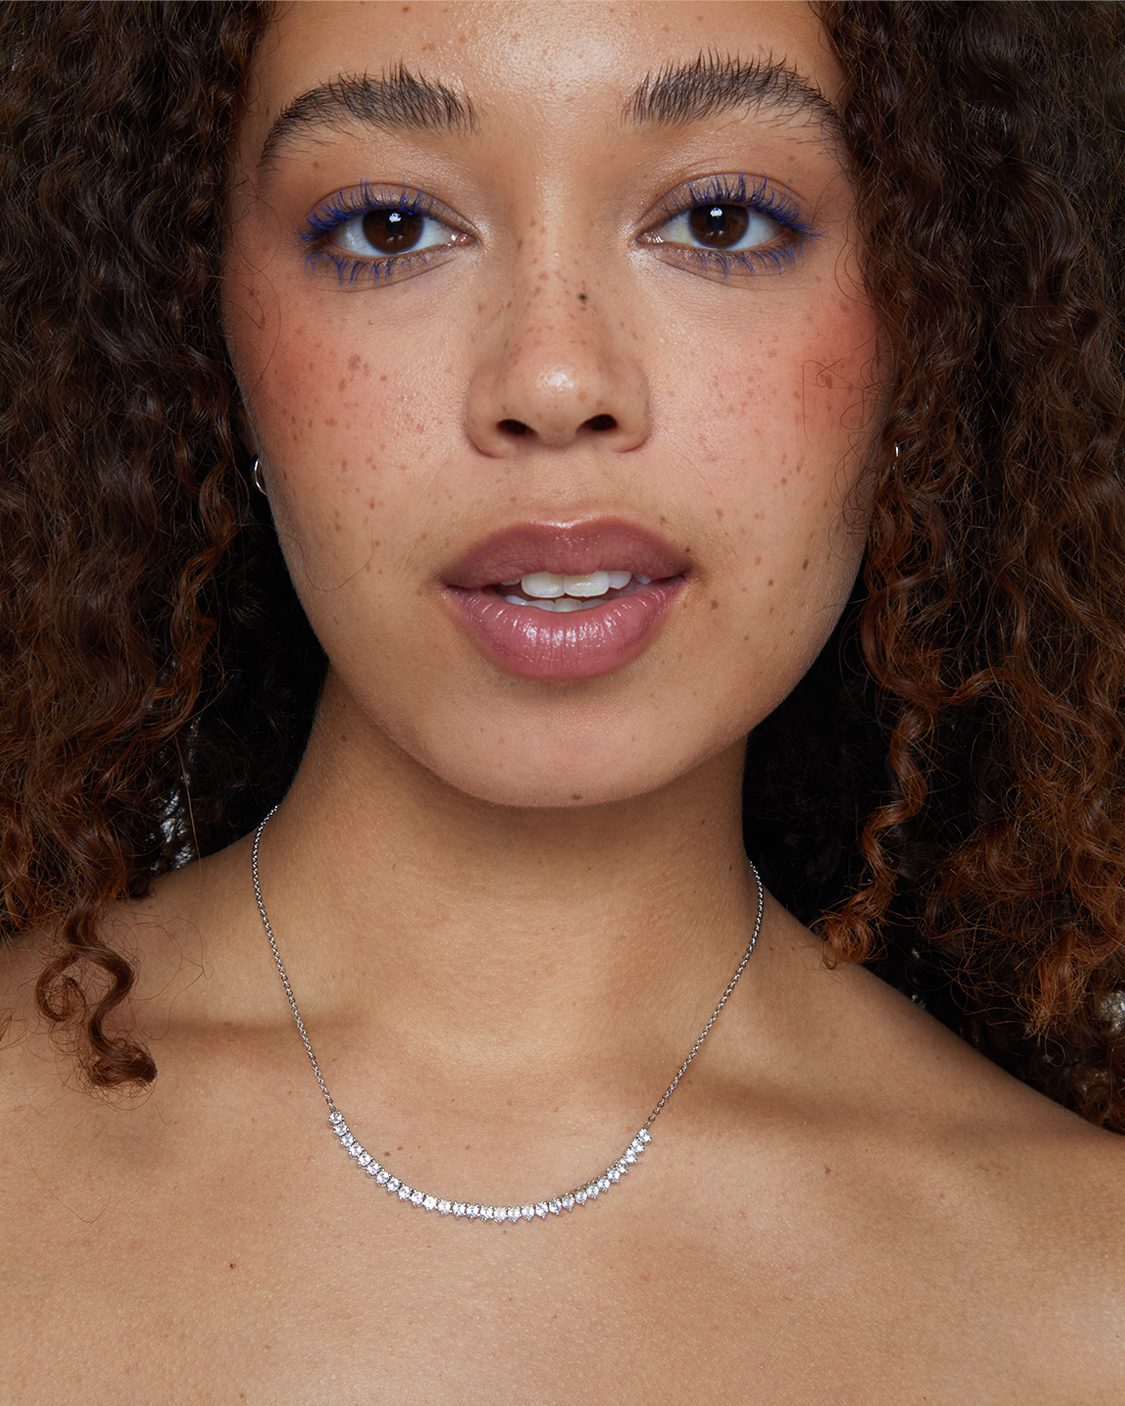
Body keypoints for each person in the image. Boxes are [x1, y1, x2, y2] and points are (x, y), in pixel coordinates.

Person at [2, 1, 1123, 1399]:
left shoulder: (1087, 1300)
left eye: (720, 220)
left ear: (935, 315)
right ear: (203, 324)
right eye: (391, 228)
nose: (552, 380)